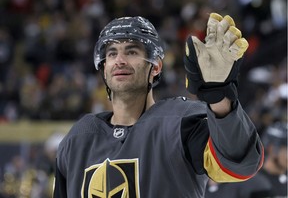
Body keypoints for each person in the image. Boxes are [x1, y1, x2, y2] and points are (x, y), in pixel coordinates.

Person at [53, 13, 264, 198]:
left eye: (132, 51)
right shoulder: (79, 138)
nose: (120, 60)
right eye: (112, 53)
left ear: (155, 67)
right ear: (103, 66)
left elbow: (238, 165)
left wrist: (219, 96)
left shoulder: (183, 122)